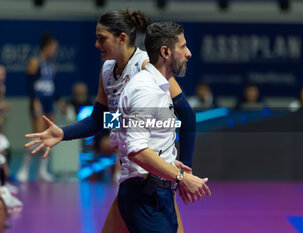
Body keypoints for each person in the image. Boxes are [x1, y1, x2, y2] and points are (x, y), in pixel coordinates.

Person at [25, 10, 197, 233]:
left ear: (122, 38)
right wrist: (63, 133)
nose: (97, 44)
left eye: (102, 38)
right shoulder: (107, 69)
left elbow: (187, 115)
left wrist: (184, 174)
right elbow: (102, 120)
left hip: (152, 174)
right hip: (132, 175)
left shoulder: (146, 66)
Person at [113, 21, 211, 233]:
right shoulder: (146, 90)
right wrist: (182, 177)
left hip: (157, 194)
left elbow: (147, 144)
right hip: (146, 197)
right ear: (165, 52)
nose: (189, 53)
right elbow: (137, 151)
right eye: (183, 47)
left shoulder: (159, 87)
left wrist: (171, 163)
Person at [17, 33, 59, 182]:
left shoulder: (52, 64)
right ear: (46, 47)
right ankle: (24, 169)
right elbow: (30, 84)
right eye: (53, 48)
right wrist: (35, 100)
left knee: (50, 135)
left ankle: (42, 170)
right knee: (38, 135)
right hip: (38, 100)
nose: (55, 51)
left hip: (49, 101)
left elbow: (53, 86)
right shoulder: (35, 62)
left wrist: (58, 100)